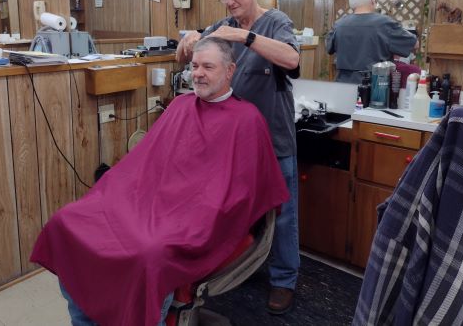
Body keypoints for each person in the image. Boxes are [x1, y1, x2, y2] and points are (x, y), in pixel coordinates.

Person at [30, 37, 289, 326]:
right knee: (67, 221)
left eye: (208, 66)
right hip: (148, 201)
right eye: (194, 66)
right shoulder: (180, 106)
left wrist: (193, 207)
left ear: (230, 71)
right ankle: (86, 318)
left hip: (196, 218)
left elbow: (245, 192)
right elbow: (145, 161)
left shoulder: (247, 120)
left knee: (148, 255)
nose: (198, 73)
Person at [176, 0, 301, 315]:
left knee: (284, 214)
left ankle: (284, 280)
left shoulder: (275, 21)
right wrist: (187, 44)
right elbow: (183, 57)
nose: (230, 1)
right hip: (232, 145)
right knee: (237, 211)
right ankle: (237, 268)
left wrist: (242, 38)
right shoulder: (219, 27)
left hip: (274, 141)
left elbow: (291, 59)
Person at [325, 0, 418, 84]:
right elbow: (414, 44)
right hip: (375, 87)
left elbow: (328, 47)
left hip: (342, 85)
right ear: (372, 0)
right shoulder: (384, 23)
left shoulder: (339, 24)